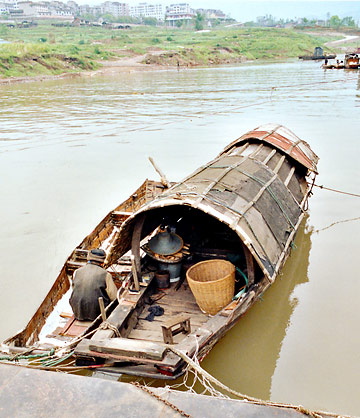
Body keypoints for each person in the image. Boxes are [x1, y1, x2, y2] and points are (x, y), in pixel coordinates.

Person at [70, 248, 117, 321]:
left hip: (78, 312)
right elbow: (114, 297)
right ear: (102, 261)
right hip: (96, 314)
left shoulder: (76, 272)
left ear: (89, 258)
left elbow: (74, 290)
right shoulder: (106, 275)